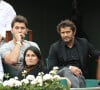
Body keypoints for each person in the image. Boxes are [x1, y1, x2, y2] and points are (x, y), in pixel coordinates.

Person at [47, 19, 100, 88]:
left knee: (79, 78)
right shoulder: (55, 47)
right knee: (66, 71)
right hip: (63, 77)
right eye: (63, 33)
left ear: (74, 32)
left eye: (68, 32)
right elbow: (51, 68)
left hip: (81, 76)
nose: (65, 35)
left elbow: (96, 53)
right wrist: (70, 68)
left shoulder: (83, 43)